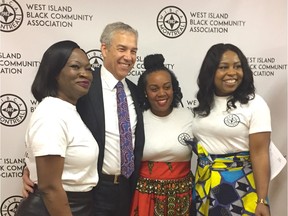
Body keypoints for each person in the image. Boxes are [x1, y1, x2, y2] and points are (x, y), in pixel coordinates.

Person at [22, 22, 145, 216]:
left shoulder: (136, 91)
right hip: (94, 191)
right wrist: (32, 168)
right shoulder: (81, 85)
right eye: (122, 48)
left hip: (126, 188)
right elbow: (48, 134)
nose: (128, 57)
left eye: (133, 51)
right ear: (104, 49)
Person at [16, 40, 99, 216]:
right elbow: (50, 187)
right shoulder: (51, 112)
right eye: (75, 67)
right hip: (51, 209)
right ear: (54, 72)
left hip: (76, 206)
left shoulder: (68, 110)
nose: (85, 74)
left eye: (88, 68)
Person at [189, 43, 271, 216]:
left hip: (241, 186)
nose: (232, 72)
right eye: (223, 67)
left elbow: (261, 154)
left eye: (238, 66)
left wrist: (262, 200)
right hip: (205, 184)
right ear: (211, 72)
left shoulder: (254, 104)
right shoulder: (205, 104)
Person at [130, 54, 194, 216]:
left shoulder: (189, 116)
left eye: (167, 87)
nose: (161, 93)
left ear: (174, 88)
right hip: (145, 197)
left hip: (183, 196)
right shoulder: (137, 118)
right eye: (154, 89)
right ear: (145, 92)